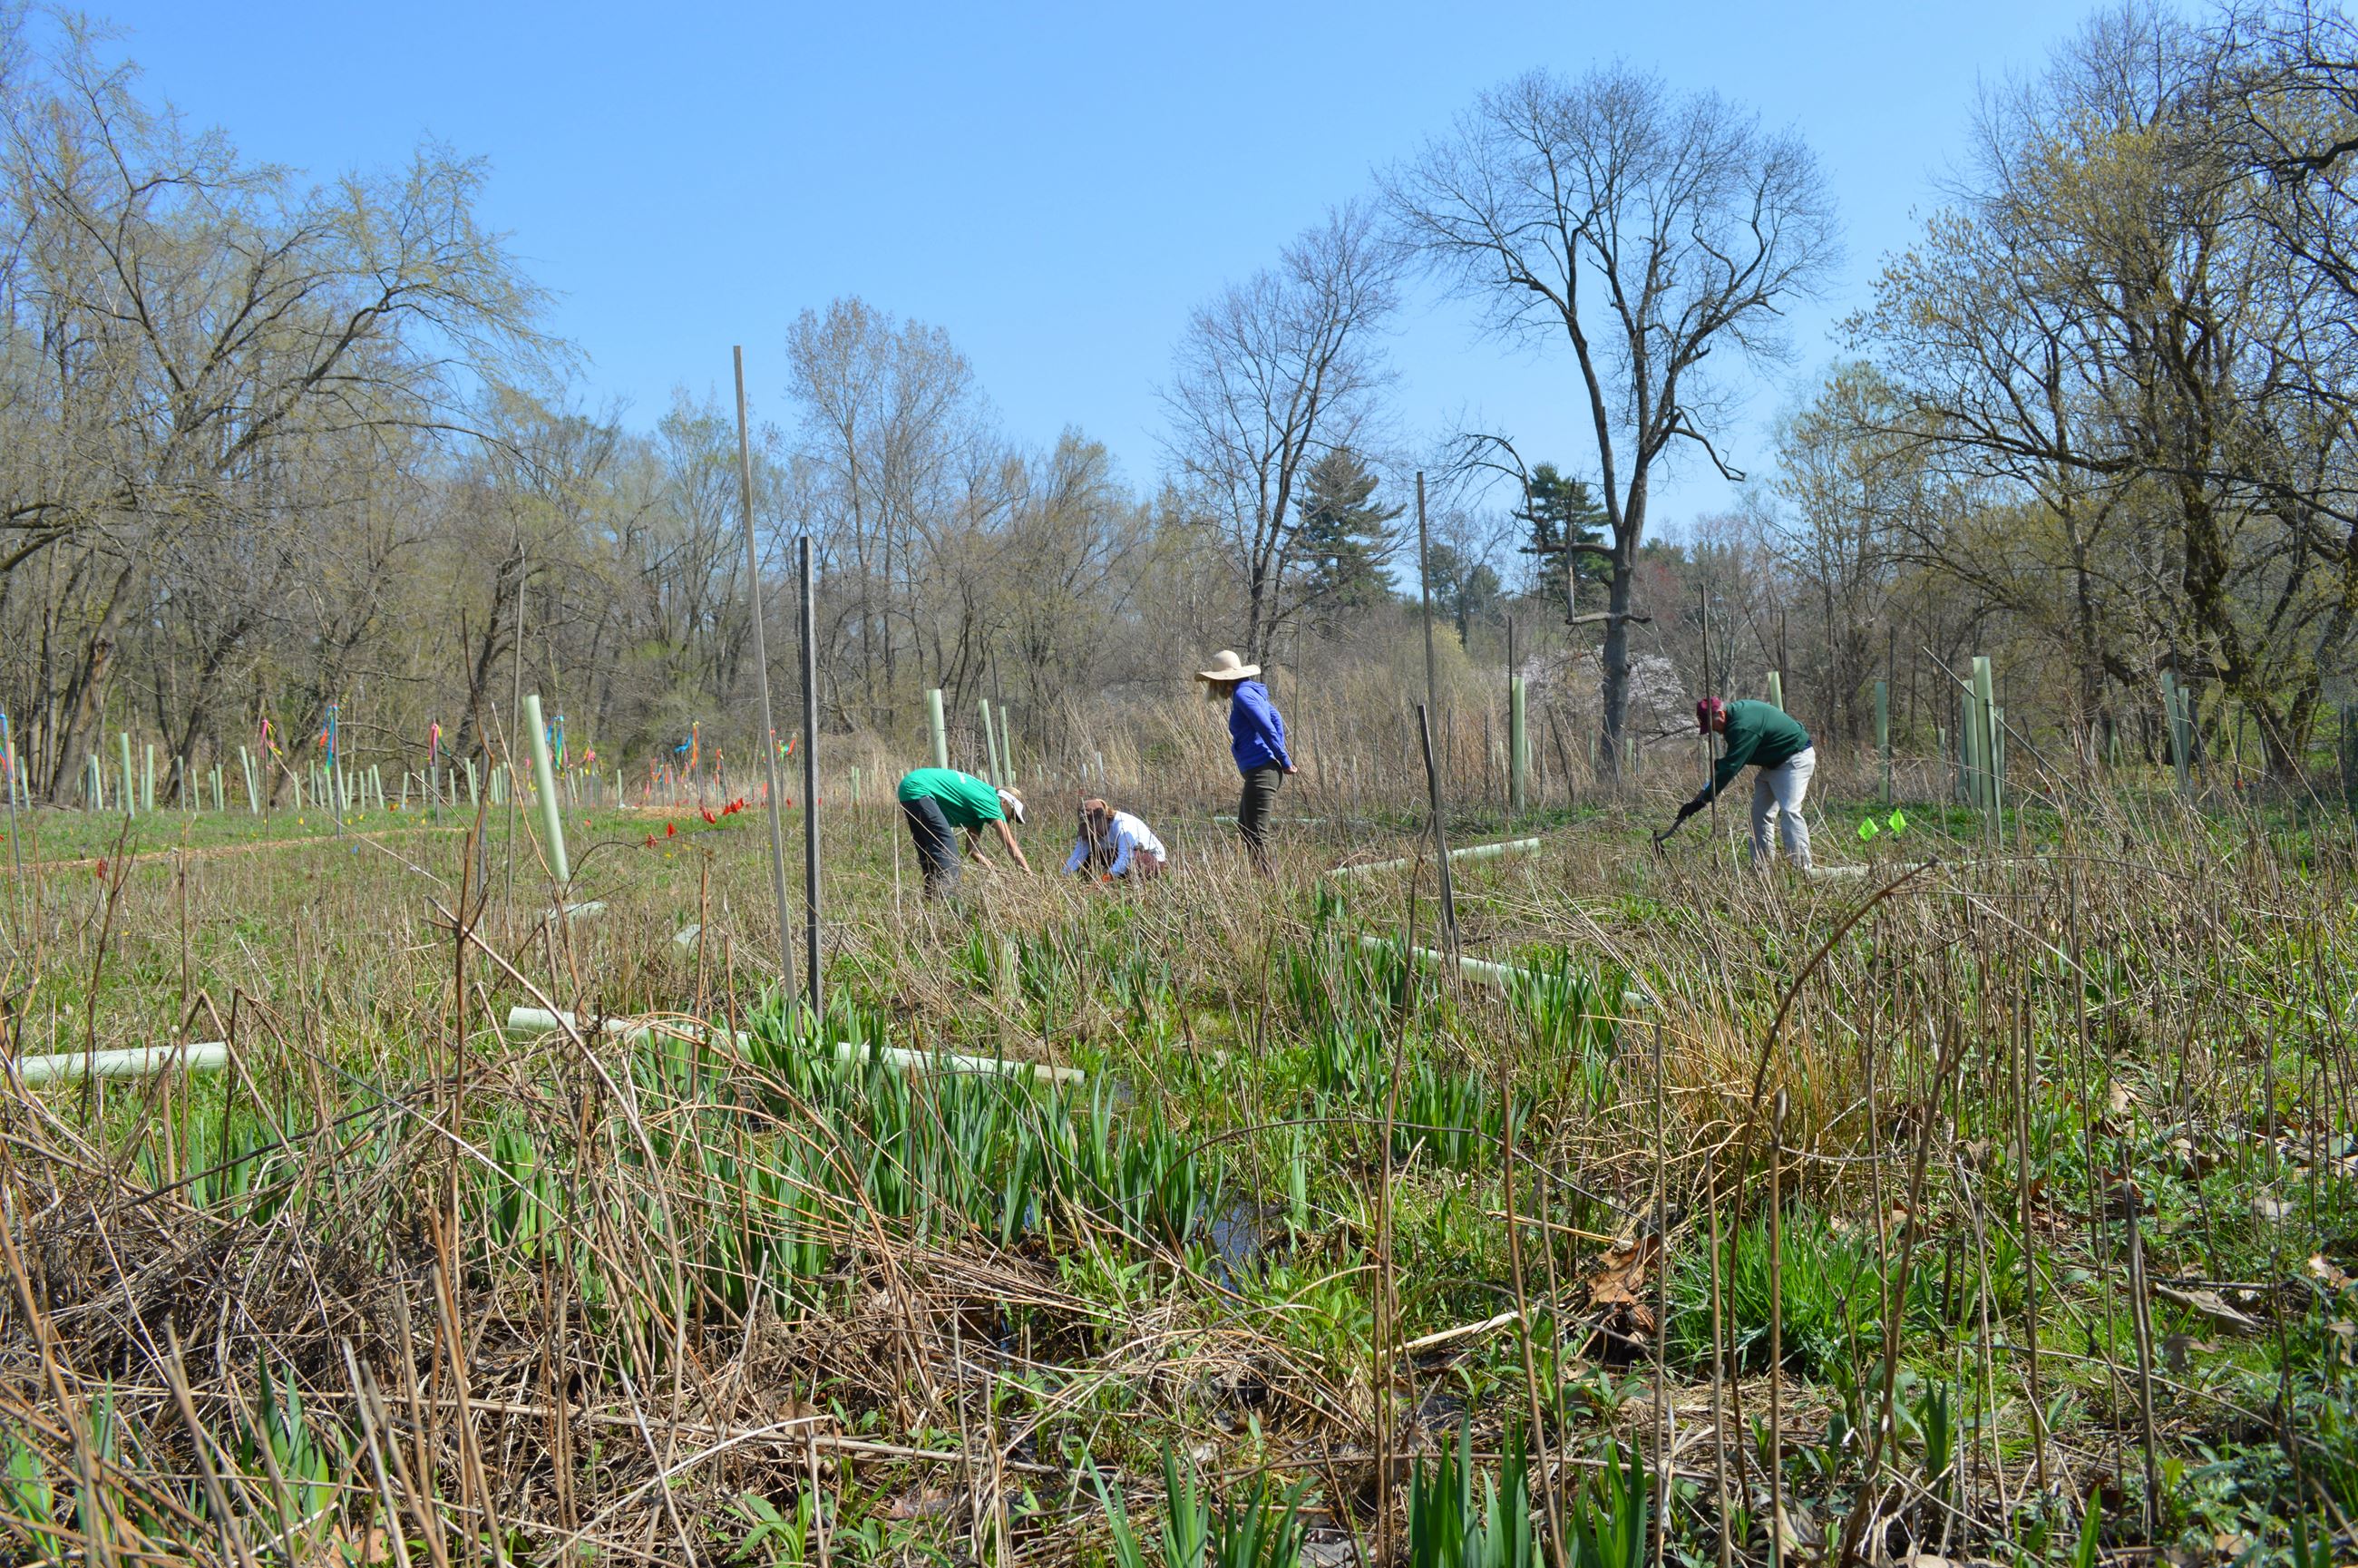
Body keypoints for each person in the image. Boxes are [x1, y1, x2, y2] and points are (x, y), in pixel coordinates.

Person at [1655, 696, 1817, 867]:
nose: (1714, 732)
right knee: (1759, 815)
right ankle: (1763, 869)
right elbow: (1725, 767)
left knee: (1790, 810)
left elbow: (1730, 768)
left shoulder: (1742, 727)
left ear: (1720, 715)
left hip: (1795, 759)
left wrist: (1703, 800)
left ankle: (1802, 868)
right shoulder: (1735, 717)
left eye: (1712, 726)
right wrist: (1698, 798)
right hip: (1772, 764)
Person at [1196, 648, 1295, 869]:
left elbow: (1266, 725)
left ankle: (1273, 886)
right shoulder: (1250, 692)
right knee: (1246, 828)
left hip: (1262, 770)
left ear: (1223, 681)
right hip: (1261, 769)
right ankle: (1267, 880)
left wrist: (1284, 759)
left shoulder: (1242, 694)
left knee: (1257, 833)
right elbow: (1276, 718)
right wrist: (1280, 755)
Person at [895, 767, 1030, 896]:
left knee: (929, 851)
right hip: (919, 789)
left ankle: (932, 900)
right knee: (947, 848)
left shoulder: (980, 807)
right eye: (1011, 815)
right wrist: (1028, 875)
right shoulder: (991, 801)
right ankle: (947, 901)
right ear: (1004, 803)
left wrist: (995, 871)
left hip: (909, 789)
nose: (1009, 820)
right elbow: (1010, 844)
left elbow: (972, 849)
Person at [1062, 797, 1167, 881]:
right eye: (1086, 828)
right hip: (1119, 856)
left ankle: (1131, 887)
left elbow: (1125, 858)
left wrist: (1104, 880)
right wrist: (1064, 876)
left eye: (1092, 827)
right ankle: (1090, 887)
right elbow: (1077, 857)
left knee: (1132, 861)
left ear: (1103, 819)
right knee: (1089, 855)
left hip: (1150, 859)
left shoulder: (1123, 826)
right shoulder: (1088, 835)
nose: (1090, 832)